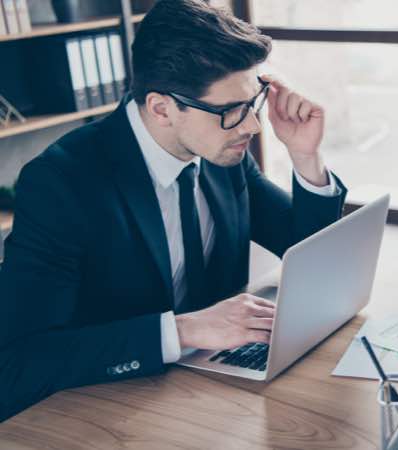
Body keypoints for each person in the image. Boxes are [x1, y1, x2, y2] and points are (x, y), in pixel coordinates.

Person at [0, 0, 346, 421]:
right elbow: (20, 359)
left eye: (251, 103)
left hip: (205, 392)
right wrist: (182, 330)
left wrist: (305, 156)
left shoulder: (218, 150)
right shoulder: (63, 184)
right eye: (230, 111)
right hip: (104, 409)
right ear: (162, 108)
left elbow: (307, 253)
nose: (253, 127)